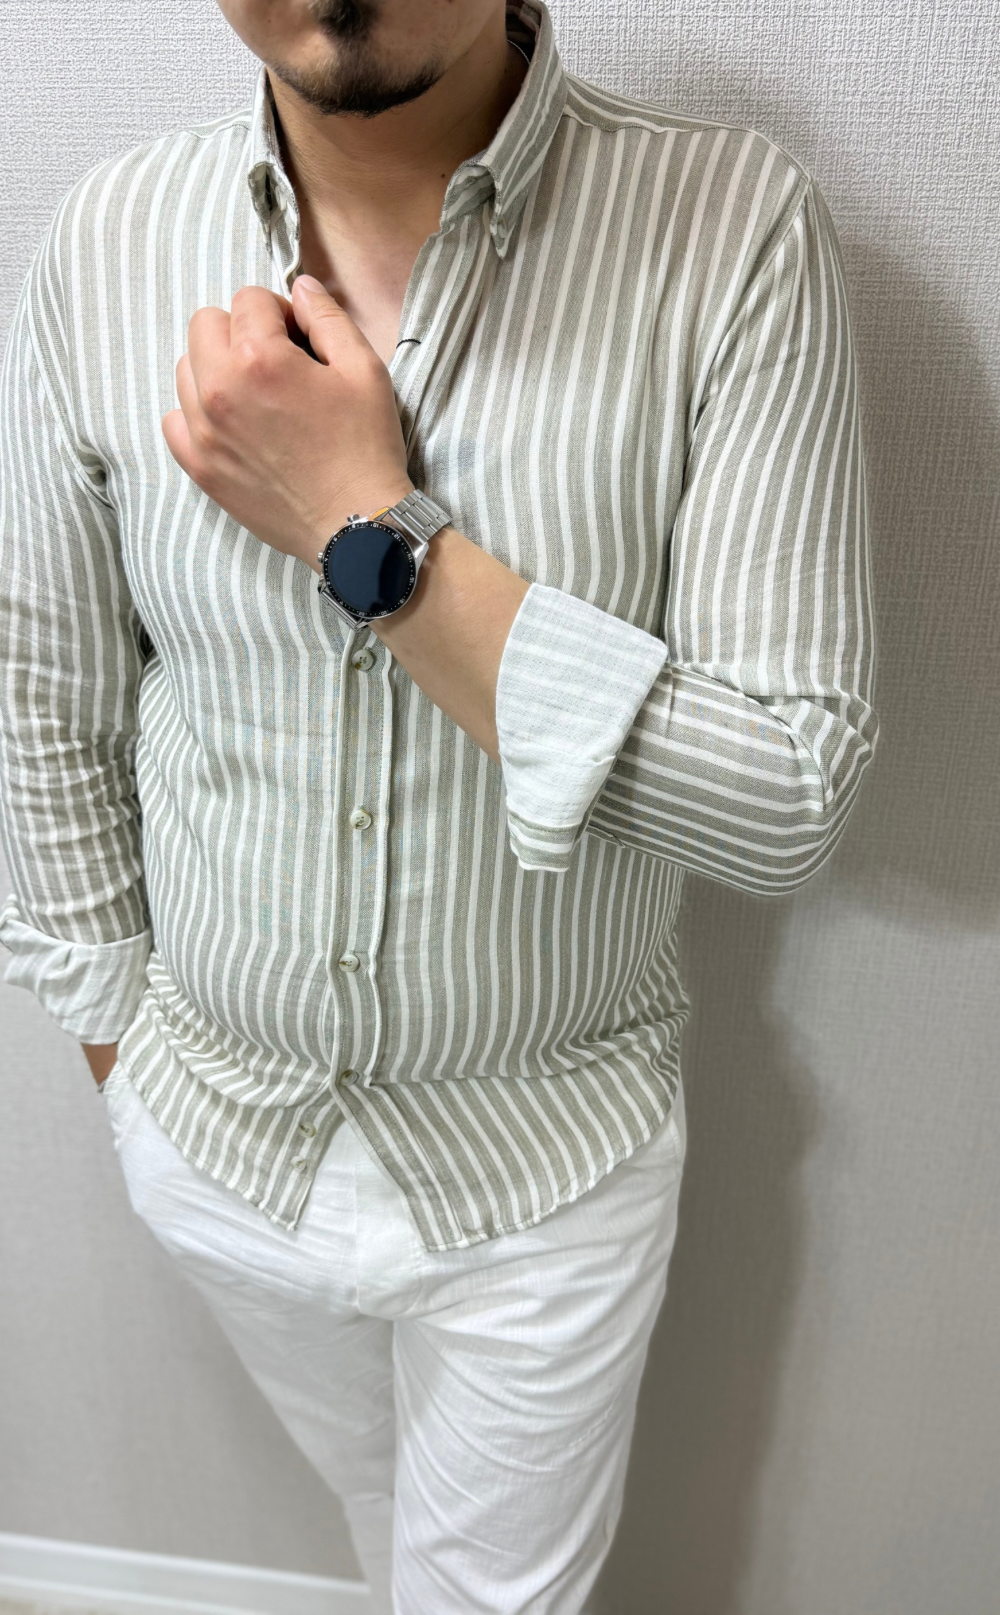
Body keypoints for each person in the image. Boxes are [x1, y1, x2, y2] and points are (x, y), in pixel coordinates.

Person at [0, 1, 879, 1610]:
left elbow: (788, 796)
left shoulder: (732, 227)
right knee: (375, 1509)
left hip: (547, 1174)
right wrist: (119, 1050)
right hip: (214, 1143)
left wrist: (367, 526)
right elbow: (45, 693)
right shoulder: (102, 240)